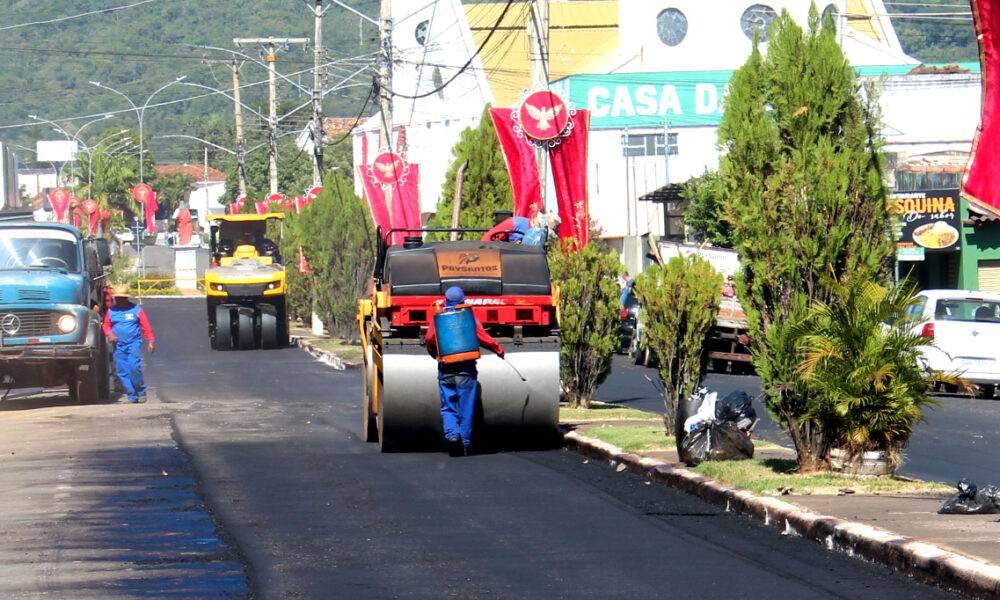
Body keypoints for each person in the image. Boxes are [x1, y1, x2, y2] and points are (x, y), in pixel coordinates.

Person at [424, 286, 505, 456]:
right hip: (466, 370)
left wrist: (434, 354)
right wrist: (499, 350)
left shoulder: (438, 319)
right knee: (466, 408)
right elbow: (484, 338)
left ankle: (453, 436)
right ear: (463, 300)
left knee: (448, 406)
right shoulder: (470, 319)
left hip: (446, 369)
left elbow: (430, 338)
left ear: (445, 300)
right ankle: (466, 444)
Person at [102, 284, 156, 404]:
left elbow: (146, 326)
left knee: (134, 367)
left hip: (133, 343)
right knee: (122, 370)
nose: (119, 300)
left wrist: (151, 341)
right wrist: (109, 334)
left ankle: (141, 391)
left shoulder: (137, 310)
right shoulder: (111, 311)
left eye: (122, 298)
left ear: (126, 298)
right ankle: (132, 394)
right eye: (117, 298)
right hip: (118, 345)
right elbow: (106, 324)